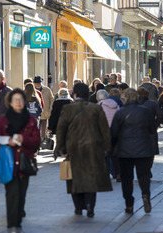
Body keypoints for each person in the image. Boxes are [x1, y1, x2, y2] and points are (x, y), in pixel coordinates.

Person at [55, 83, 112, 218]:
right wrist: (107, 147)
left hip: (73, 148)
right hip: (93, 148)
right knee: (91, 178)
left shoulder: (68, 109)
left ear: (75, 93)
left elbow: (61, 129)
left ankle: (78, 207)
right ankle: (90, 206)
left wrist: (60, 147)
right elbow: (105, 130)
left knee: (74, 178)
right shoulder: (96, 109)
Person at [0, 89, 40, 233]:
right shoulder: (3, 119)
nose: (18, 102)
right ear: (10, 102)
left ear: (24, 102)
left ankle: (18, 220)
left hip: (25, 161)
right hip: (9, 161)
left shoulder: (31, 120)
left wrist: (23, 140)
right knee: (12, 192)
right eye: (15, 100)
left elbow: (36, 141)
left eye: (21, 99)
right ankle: (12, 224)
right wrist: (9, 141)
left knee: (21, 193)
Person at [111, 88, 156, 214]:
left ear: (125, 98)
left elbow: (113, 133)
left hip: (124, 151)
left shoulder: (120, 113)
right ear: (137, 97)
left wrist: (112, 148)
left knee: (126, 178)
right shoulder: (145, 111)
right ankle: (146, 195)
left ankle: (129, 204)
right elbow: (153, 129)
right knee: (144, 176)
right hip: (144, 149)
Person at [96, 89, 120, 180]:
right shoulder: (115, 105)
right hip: (115, 131)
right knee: (115, 154)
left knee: (104, 153)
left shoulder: (99, 106)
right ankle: (117, 173)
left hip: (103, 132)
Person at [137, 87, 163, 156]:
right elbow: (160, 115)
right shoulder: (153, 103)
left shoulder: (135, 103)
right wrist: (156, 123)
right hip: (151, 125)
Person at [33, 76, 54, 142]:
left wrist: (50, 109)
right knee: (37, 128)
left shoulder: (47, 89)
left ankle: (42, 140)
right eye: (36, 83)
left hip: (45, 112)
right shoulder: (33, 90)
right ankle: (38, 140)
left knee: (43, 128)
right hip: (36, 113)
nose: (38, 84)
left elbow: (52, 99)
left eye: (39, 82)